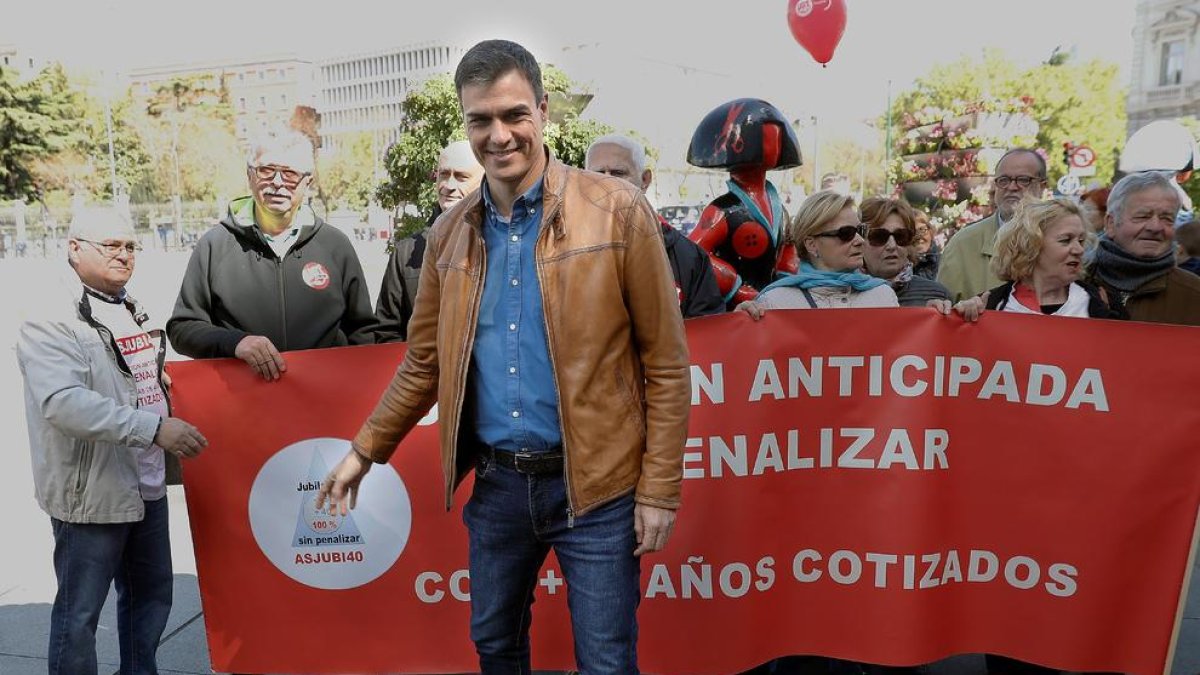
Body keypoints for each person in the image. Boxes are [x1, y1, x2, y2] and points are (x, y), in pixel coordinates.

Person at [316, 39, 690, 674]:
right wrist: (363, 451)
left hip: (598, 489)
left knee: (605, 660)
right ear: (465, 122)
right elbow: (425, 362)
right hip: (498, 486)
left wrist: (660, 489)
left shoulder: (617, 211)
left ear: (543, 111)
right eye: (480, 120)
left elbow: (666, 363)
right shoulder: (447, 233)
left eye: (514, 114)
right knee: (494, 645)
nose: (499, 135)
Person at [18, 206, 208, 675]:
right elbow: (62, 402)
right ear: (74, 248)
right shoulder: (49, 317)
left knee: (151, 599)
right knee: (79, 616)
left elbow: (141, 379)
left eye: (130, 246)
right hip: (93, 492)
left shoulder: (128, 304)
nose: (124, 255)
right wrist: (153, 428)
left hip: (145, 484)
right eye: (111, 246)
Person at [167, 126, 377, 378]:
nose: (277, 182)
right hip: (243, 402)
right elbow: (182, 329)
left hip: (324, 403)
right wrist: (235, 343)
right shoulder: (215, 245)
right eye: (266, 170)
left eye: (290, 174)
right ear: (249, 175)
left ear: (307, 182)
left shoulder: (335, 245)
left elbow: (363, 333)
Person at [585, 133, 724, 317]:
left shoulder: (689, 258)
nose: (608, 182)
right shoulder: (557, 249)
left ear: (645, 180)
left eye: (619, 173)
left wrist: (736, 321)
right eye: (598, 174)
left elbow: (708, 331)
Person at [686, 98, 803, 307]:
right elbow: (693, 253)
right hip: (735, 309)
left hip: (774, 305)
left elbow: (787, 251)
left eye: (775, 135)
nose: (773, 144)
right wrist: (735, 287)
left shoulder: (780, 211)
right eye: (767, 135)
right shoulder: (723, 210)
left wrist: (786, 284)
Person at [933, 197, 1125, 322]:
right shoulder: (990, 306)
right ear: (1031, 246)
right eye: (1066, 240)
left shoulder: (1104, 303)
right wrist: (956, 319)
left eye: (1081, 240)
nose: (1078, 249)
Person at [376, 140, 484, 341]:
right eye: (444, 174)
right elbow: (386, 331)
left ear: (484, 181)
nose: (448, 186)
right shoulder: (406, 253)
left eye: (461, 177)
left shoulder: (503, 245)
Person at [737, 190, 898, 317]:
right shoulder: (775, 302)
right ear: (812, 245)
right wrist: (739, 325)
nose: (860, 240)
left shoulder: (882, 297)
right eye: (846, 233)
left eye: (861, 230)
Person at [1083, 171, 1200, 326]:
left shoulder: (1193, 294)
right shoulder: (1072, 283)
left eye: (1166, 218)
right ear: (1110, 223)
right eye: (1142, 216)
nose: (1155, 227)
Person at [937, 149, 1047, 301]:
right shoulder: (963, 244)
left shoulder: (1062, 240)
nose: (1012, 187)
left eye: (1023, 180)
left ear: (1042, 186)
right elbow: (943, 314)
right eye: (1004, 180)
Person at [860, 197, 951, 307]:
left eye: (900, 236)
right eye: (879, 236)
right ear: (859, 241)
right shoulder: (839, 296)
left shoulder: (936, 296)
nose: (892, 246)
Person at [911, 209, 940, 280]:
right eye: (913, 232)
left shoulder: (943, 263)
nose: (919, 236)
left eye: (922, 230)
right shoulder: (900, 268)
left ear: (930, 231)